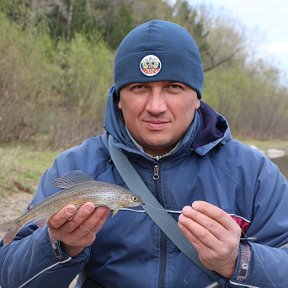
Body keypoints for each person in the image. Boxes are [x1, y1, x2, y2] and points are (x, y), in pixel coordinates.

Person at [0, 19, 287, 288]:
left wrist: (239, 261)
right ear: (119, 99)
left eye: (174, 87)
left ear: (197, 97)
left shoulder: (253, 173)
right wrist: (58, 246)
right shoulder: (73, 165)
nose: (156, 106)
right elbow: (7, 275)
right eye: (139, 87)